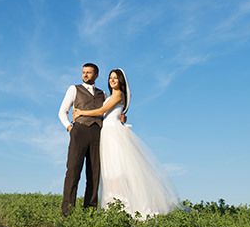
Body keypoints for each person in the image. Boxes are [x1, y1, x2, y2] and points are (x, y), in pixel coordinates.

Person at [73, 68, 179, 218]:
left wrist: (81, 112)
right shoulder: (109, 95)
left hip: (114, 134)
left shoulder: (118, 94)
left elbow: (102, 110)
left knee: (118, 170)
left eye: (116, 78)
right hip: (106, 133)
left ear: (121, 80)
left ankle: (124, 206)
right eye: (110, 78)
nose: (112, 80)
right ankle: (112, 205)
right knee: (109, 171)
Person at [58, 62, 105, 216]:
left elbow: (106, 113)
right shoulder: (74, 89)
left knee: (94, 173)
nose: (85, 74)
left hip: (97, 134)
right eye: (84, 72)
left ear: (96, 75)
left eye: (89, 72)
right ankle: (67, 212)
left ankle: (89, 212)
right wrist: (70, 128)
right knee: (73, 170)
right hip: (79, 131)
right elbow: (62, 112)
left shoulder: (102, 94)